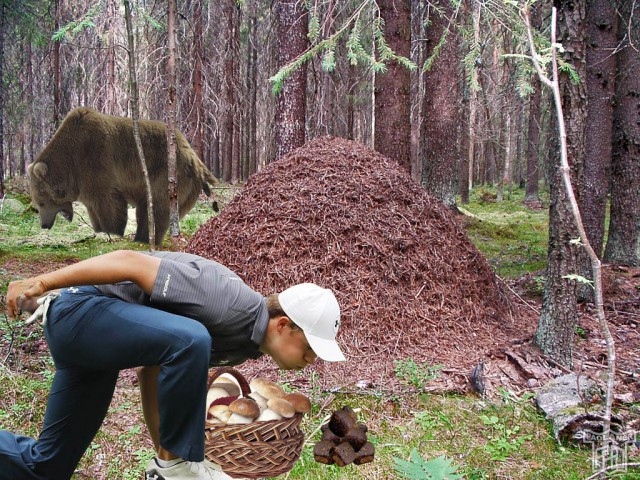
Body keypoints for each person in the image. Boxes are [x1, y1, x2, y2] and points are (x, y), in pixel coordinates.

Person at [1, 250, 346, 480]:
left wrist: (165, 463)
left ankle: (174, 464)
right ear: (283, 325)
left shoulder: (242, 342)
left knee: (47, 468)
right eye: (311, 346)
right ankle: (183, 463)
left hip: (93, 341)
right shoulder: (229, 304)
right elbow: (129, 262)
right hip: (78, 311)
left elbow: (152, 371)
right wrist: (42, 282)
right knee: (193, 338)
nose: (313, 358)